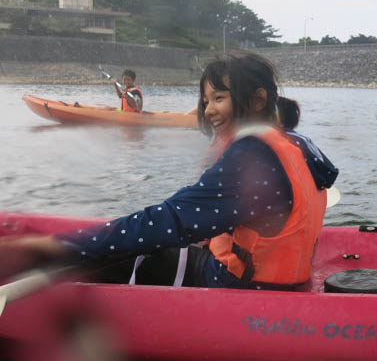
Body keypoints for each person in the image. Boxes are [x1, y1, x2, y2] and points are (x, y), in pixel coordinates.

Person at [0, 52, 338, 290]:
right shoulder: (297, 142)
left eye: (219, 98)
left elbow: (170, 222)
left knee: (122, 253)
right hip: (280, 277)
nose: (209, 111)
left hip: (239, 285)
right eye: (206, 102)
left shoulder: (252, 155)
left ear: (258, 100)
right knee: (148, 241)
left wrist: (52, 247)